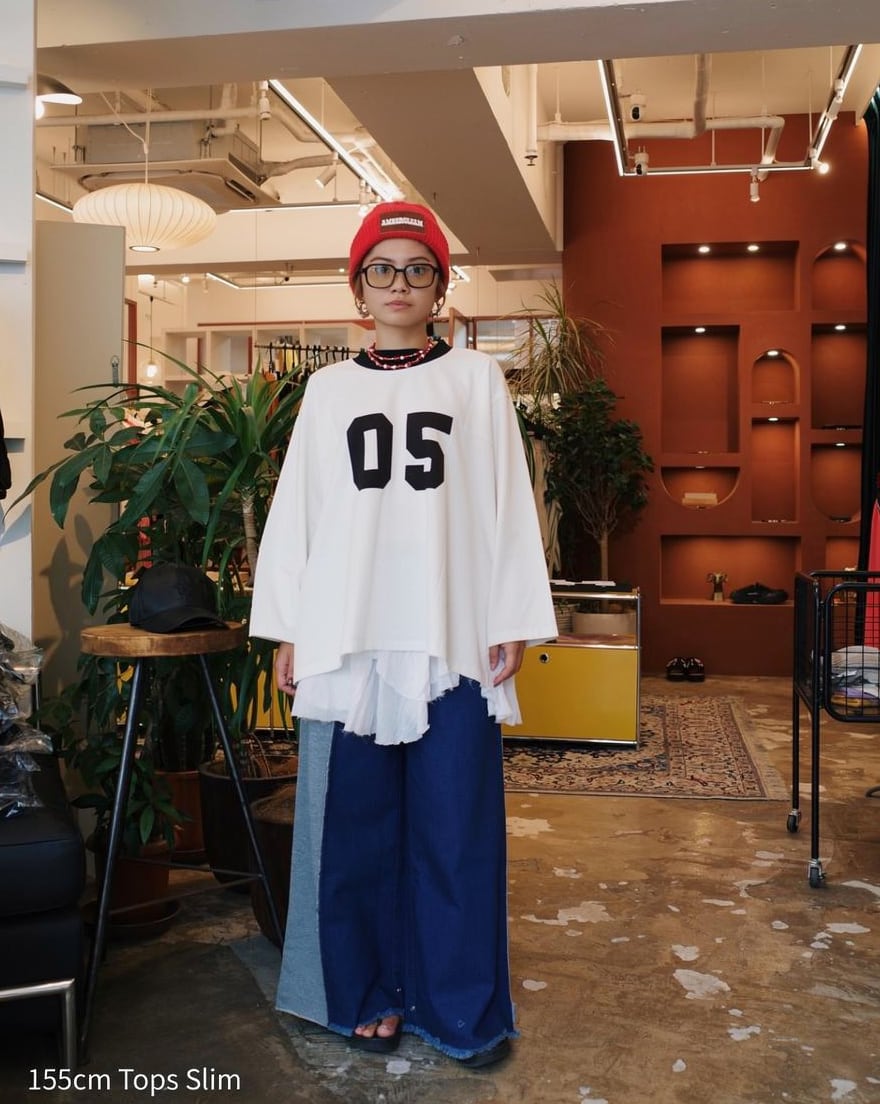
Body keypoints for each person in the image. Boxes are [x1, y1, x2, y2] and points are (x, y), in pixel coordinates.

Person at [249, 201, 556, 1068]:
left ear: (439, 287)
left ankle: (459, 1010)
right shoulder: (327, 391)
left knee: (456, 828)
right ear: (358, 287)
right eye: (380, 269)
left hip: (450, 631)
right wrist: (288, 629)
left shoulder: (476, 381)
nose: (398, 284)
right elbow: (299, 513)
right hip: (348, 635)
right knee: (357, 831)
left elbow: (508, 504)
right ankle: (368, 994)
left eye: (417, 268)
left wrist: (512, 616)